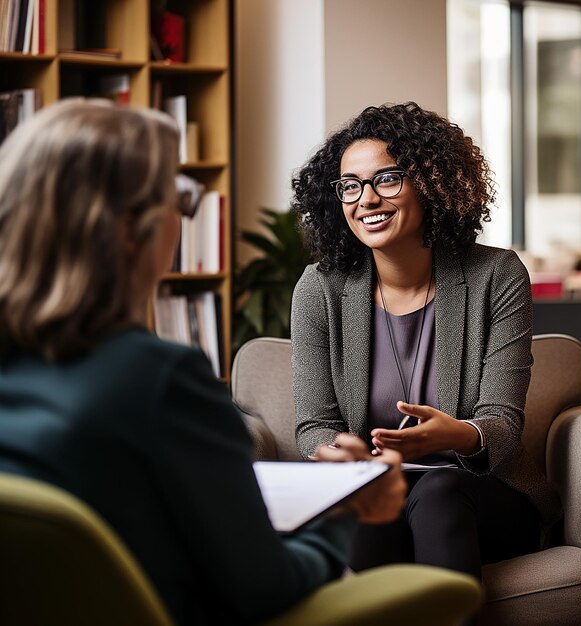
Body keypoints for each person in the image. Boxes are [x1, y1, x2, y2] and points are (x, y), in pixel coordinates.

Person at [0, 99, 406, 626]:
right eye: (179, 199)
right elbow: (265, 589)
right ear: (129, 229)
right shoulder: (159, 380)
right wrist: (347, 510)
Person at [290, 102, 562, 582]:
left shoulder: (496, 276)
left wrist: (455, 435)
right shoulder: (320, 288)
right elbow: (314, 425)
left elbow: (501, 422)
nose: (366, 199)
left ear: (432, 183)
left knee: (437, 490)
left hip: (481, 495)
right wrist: (341, 454)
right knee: (371, 504)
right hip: (377, 490)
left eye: (387, 179)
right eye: (350, 185)